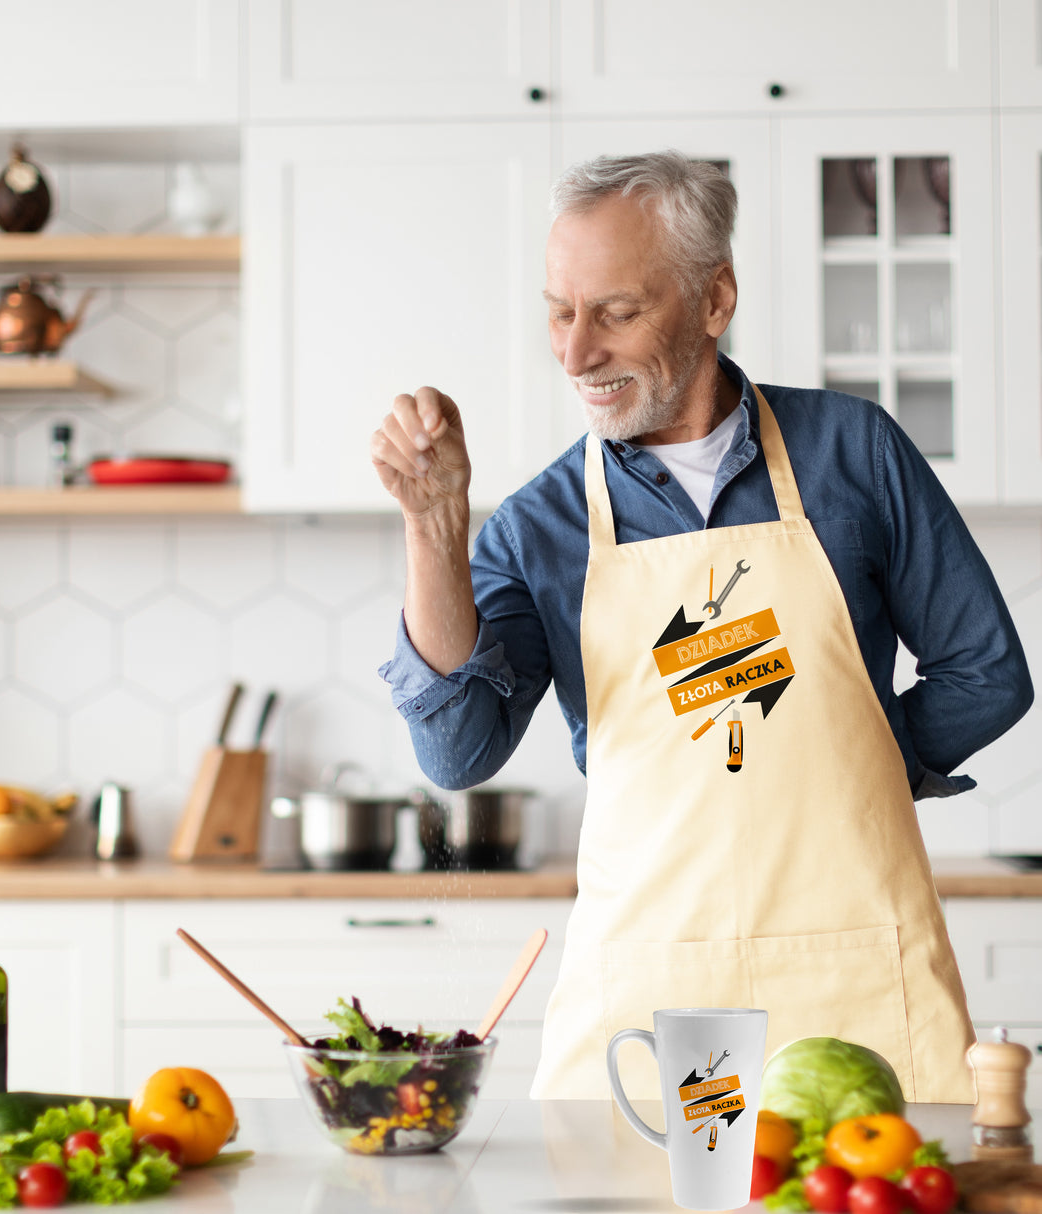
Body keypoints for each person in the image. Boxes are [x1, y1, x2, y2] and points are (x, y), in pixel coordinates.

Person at [369, 152, 1033, 1102]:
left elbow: (986, 672)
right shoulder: (540, 523)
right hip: (653, 993)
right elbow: (457, 752)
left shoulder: (854, 451)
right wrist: (435, 527)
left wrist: (847, 774)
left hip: (853, 970)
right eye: (559, 310)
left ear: (714, 298)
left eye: (617, 312)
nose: (574, 352)